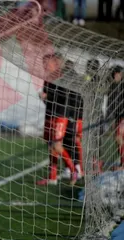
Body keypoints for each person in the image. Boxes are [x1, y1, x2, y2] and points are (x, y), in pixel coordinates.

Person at [37, 53, 77, 186]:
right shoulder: (47, 78)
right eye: (44, 63)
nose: (45, 65)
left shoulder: (62, 77)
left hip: (61, 114)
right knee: (50, 145)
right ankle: (52, 177)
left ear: (55, 63)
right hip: (49, 114)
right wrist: (44, 98)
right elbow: (47, 98)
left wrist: (48, 96)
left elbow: (64, 96)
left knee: (57, 145)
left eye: (47, 63)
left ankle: (73, 170)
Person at [107, 66, 124, 169]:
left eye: (117, 74)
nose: (115, 76)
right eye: (114, 75)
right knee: (118, 139)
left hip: (123, 117)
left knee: (118, 138)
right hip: (118, 117)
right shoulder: (114, 86)